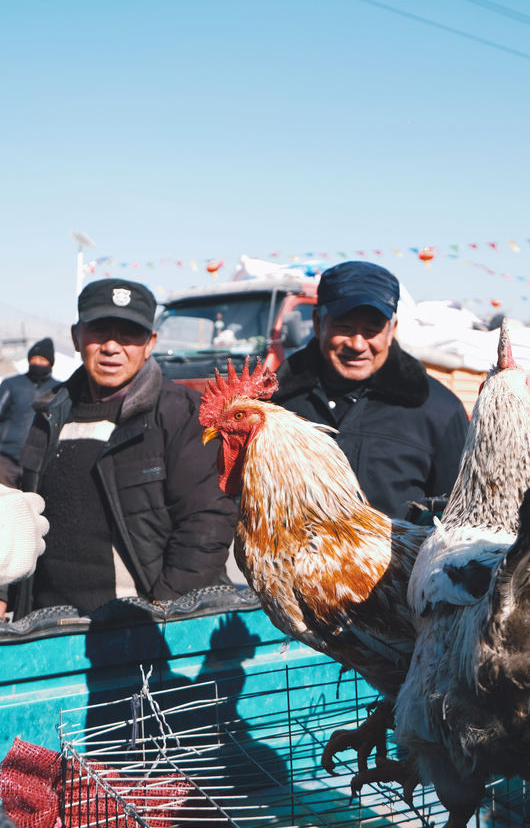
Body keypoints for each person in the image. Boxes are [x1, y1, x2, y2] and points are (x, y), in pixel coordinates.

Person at [7, 278, 237, 620]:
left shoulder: (182, 413)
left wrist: (163, 614)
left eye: (129, 334)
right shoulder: (49, 412)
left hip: (141, 626)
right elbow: (17, 507)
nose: (112, 347)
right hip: (51, 625)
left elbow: (206, 525)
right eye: (99, 331)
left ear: (150, 343)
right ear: (76, 336)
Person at [272, 260, 469, 520]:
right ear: (319, 324)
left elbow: (460, 517)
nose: (357, 344)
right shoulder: (276, 403)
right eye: (344, 327)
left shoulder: (440, 411)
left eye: (372, 329)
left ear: (392, 331)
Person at [0, 338, 58, 487]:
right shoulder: (11, 384)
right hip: (6, 458)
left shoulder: (58, 390)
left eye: (42, 359)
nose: (37, 363)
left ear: (50, 363)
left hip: (38, 462)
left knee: (30, 505)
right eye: (34, 359)